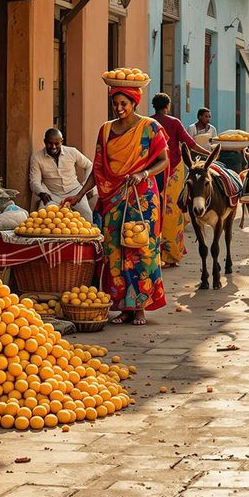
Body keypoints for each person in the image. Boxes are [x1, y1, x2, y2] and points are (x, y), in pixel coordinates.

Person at [63, 86, 169, 325]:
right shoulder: (106, 130)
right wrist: (79, 195)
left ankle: (140, 306)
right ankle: (123, 307)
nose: (119, 109)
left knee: (141, 249)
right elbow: (98, 169)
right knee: (115, 252)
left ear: (134, 103)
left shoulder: (150, 128)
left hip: (141, 197)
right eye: (115, 104)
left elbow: (163, 160)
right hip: (112, 197)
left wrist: (143, 173)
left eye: (124, 104)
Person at [151, 92, 209, 267]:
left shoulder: (148, 122)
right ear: (167, 105)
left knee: (154, 209)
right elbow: (190, 143)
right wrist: (209, 154)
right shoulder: (174, 122)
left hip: (152, 171)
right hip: (173, 170)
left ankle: (154, 252)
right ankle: (171, 254)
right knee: (172, 211)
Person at [29, 128, 94, 221]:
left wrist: (85, 188)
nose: (53, 147)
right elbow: (34, 181)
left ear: (61, 141)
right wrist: (42, 193)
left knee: (87, 216)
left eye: (56, 143)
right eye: (49, 143)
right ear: (44, 141)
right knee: (43, 218)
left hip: (75, 192)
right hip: (52, 194)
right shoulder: (36, 158)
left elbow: (89, 166)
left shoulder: (72, 152)